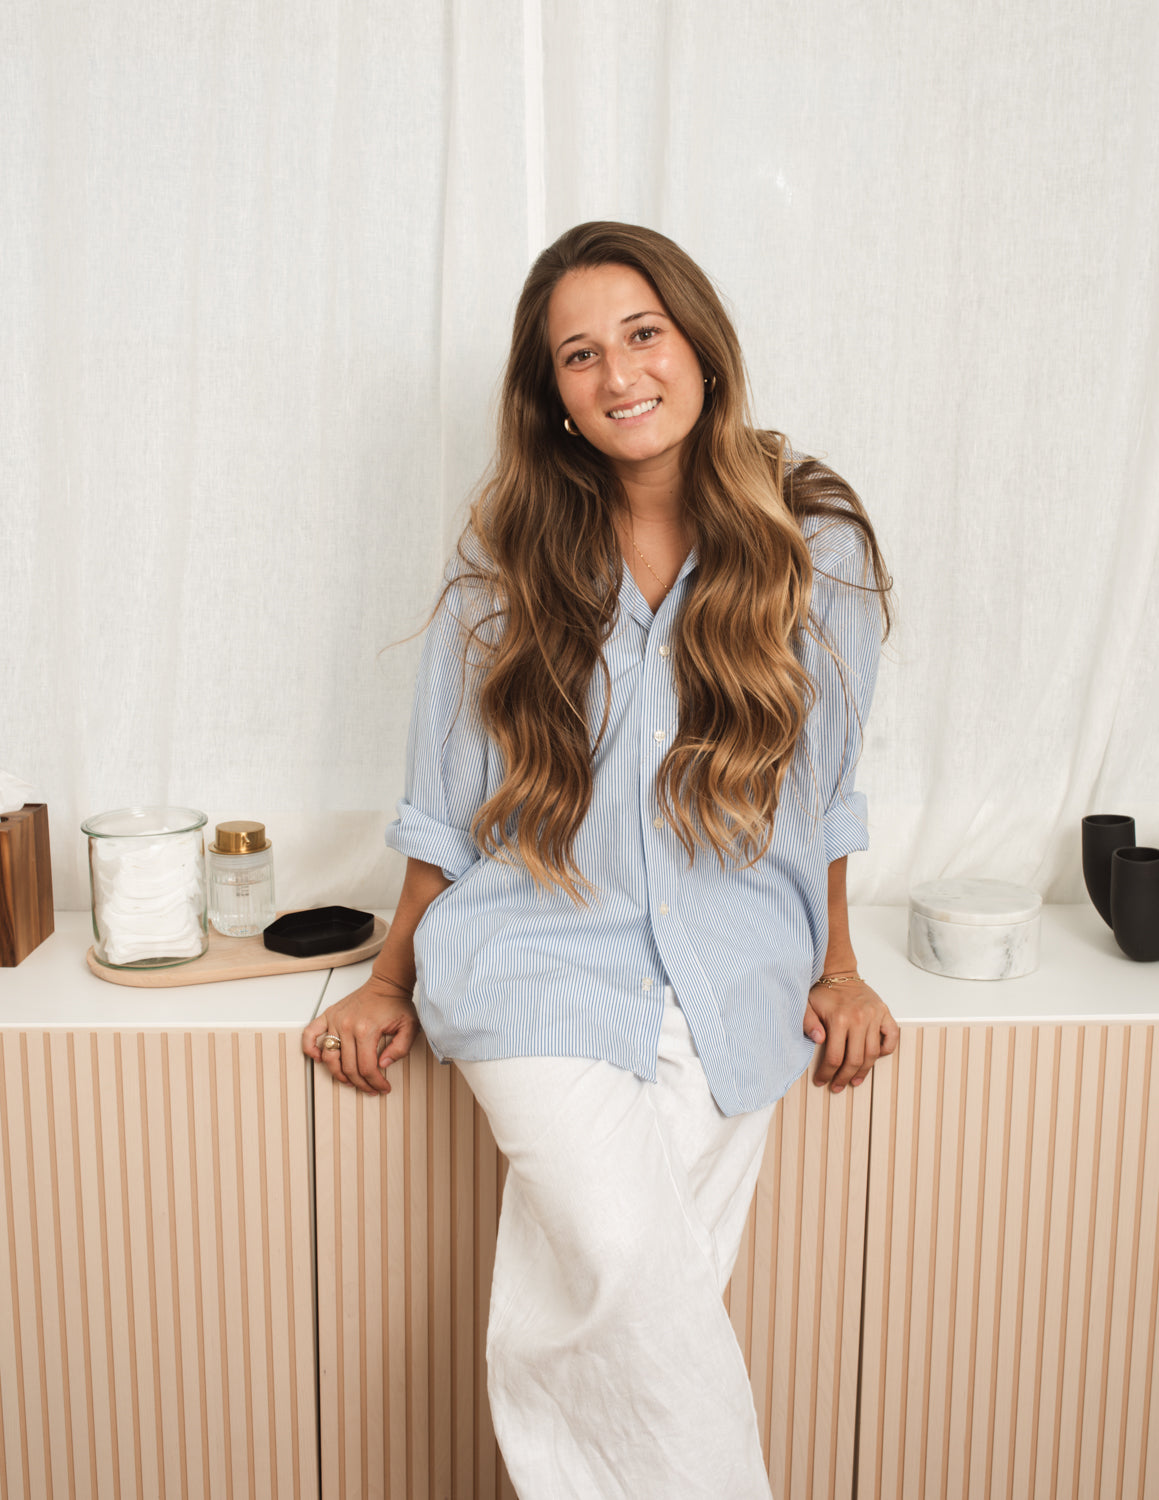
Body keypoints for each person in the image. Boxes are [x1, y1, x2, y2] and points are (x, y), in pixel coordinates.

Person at [303, 221, 899, 1499]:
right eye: (579, 355)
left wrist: (840, 966)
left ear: (699, 345)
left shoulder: (817, 545)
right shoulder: (503, 565)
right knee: (630, 1267)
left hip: (735, 977)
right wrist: (388, 980)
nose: (619, 373)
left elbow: (824, 794)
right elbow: (444, 808)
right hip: (534, 962)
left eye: (642, 334)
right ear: (553, 396)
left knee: (618, 1308)